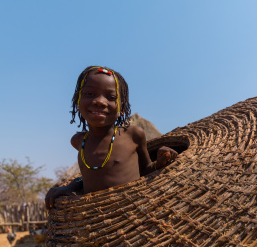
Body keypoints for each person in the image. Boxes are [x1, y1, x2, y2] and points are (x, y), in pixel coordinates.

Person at [45, 66, 177, 210]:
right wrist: (71, 185)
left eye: (111, 97)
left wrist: (162, 161)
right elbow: (93, 177)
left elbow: (145, 170)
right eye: (89, 93)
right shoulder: (79, 141)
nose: (100, 101)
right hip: (97, 220)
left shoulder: (133, 135)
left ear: (123, 108)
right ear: (78, 102)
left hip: (131, 214)